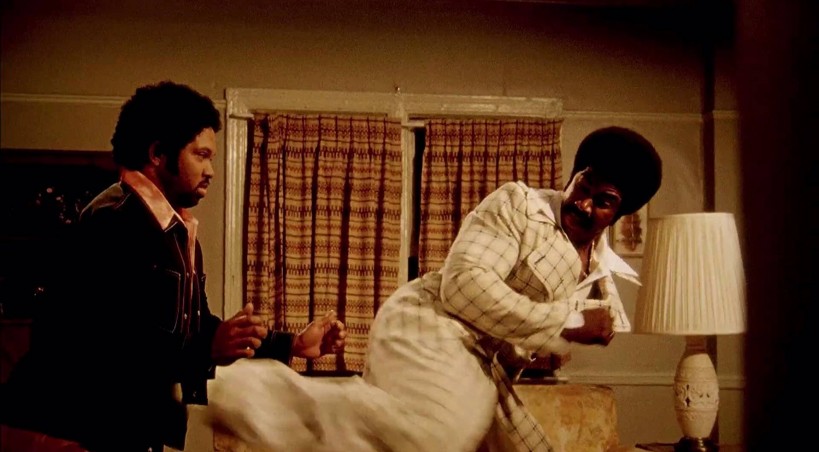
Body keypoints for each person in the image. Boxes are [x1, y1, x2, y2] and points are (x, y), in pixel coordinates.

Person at [206, 126, 663, 452]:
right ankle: (243, 391)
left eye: (603, 201)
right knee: (434, 435)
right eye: (583, 184)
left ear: (620, 214)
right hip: (431, 324)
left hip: (480, 366)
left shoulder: (599, 273)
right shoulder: (519, 206)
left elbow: (523, 340)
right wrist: (571, 321)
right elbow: (464, 288)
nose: (583, 203)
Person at [0, 81, 346, 452]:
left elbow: (198, 328)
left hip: (127, 431)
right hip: (76, 433)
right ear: (158, 154)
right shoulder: (112, 221)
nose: (211, 170)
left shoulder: (174, 230)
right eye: (201, 155)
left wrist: (292, 344)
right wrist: (207, 350)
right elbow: (107, 350)